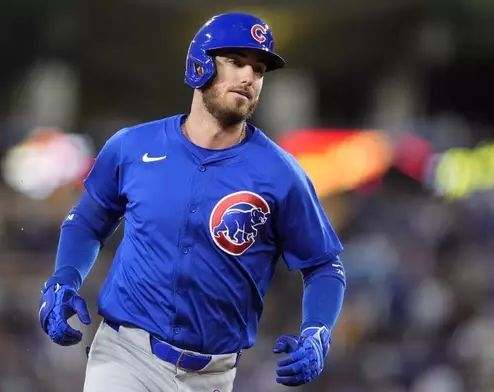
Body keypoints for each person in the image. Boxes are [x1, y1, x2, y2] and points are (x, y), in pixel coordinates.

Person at [38, 11, 346, 392]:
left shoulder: (281, 173)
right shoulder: (133, 146)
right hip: (124, 358)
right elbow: (87, 221)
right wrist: (64, 278)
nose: (249, 77)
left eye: (259, 69)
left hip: (214, 376)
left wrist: (318, 330)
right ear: (200, 63)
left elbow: (323, 265)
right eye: (235, 62)